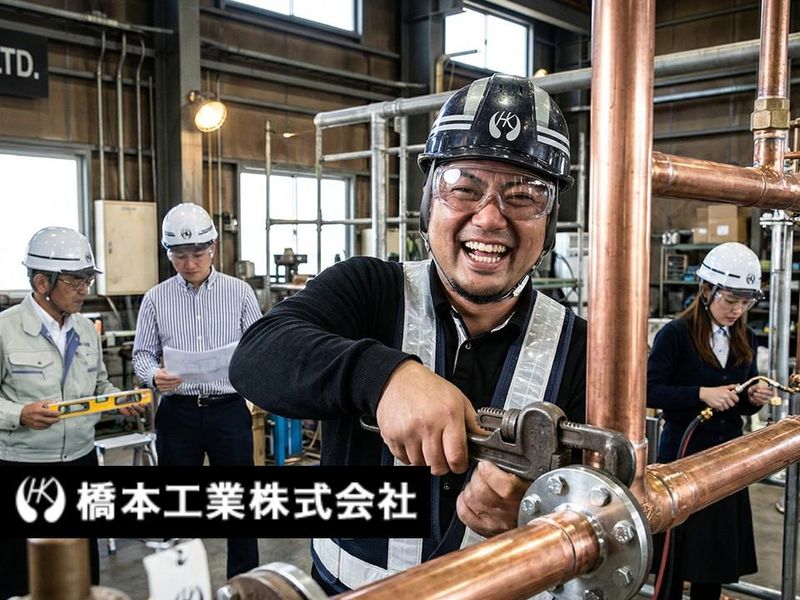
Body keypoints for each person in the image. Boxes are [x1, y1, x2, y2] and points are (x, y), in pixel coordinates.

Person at [229, 74, 587, 594]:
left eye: (524, 195)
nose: (490, 218)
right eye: (463, 187)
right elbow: (257, 355)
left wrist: (542, 513)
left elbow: (614, 507)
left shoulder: (578, 347)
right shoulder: (369, 290)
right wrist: (381, 377)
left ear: (551, 220)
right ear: (429, 202)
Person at [0, 226, 143, 597]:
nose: (84, 290)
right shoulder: (5, 330)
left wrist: (120, 400)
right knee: (21, 572)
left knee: (81, 571)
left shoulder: (86, 330)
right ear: (41, 282)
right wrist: (19, 414)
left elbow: (100, 386)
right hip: (25, 466)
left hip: (81, 461)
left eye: (87, 280)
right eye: (75, 281)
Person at [132, 203, 261, 579]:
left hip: (228, 410)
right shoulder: (156, 299)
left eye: (197, 254)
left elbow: (258, 347)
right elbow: (142, 355)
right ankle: (177, 585)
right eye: (179, 255)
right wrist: (154, 376)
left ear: (213, 248)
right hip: (178, 414)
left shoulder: (240, 293)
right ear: (168, 253)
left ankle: (244, 585)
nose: (189, 264)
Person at [647, 241, 773, 600]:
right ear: (707, 290)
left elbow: (740, 403)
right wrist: (701, 393)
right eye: (730, 300)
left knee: (713, 559)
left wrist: (752, 398)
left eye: (745, 302)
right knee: (674, 557)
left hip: (726, 462)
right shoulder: (676, 334)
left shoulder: (746, 336)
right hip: (683, 459)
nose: (737, 310)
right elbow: (650, 391)